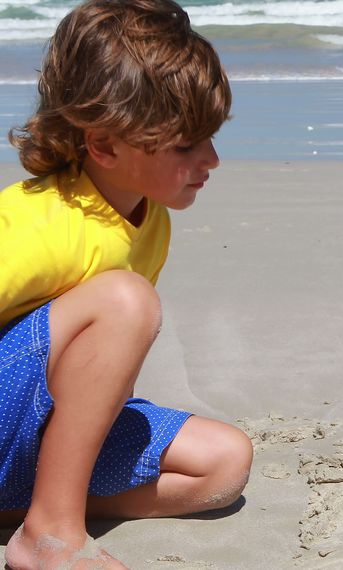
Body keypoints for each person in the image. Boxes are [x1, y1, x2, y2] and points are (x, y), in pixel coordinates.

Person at [0, 1, 253, 567]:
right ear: (106, 144)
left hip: (26, 434)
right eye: (186, 144)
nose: (210, 159)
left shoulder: (150, 217)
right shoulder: (38, 224)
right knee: (125, 300)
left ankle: (30, 506)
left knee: (222, 463)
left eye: (210, 137)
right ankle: (49, 533)